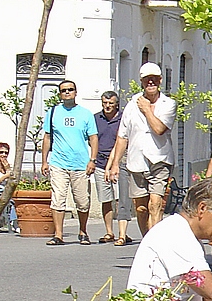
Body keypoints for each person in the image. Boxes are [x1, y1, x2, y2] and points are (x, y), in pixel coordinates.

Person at [108, 62, 177, 237]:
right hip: (136, 162)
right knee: (140, 208)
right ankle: (148, 241)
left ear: (160, 80)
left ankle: (156, 245)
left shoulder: (168, 104)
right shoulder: (131, 105)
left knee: (155, 204)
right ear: (142, 81)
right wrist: (115, 164)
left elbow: (160, 129)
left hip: (159, 160)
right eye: (147, 79)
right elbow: (122, 136)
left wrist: (147, 110)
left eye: (154, 79)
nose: (151, 82)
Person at [41, 79, 98, 246]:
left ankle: (83, 231)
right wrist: (44, 161)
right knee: (58, 199)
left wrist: (92, 160)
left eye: (70, 89)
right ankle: (58, 234)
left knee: (82, 201)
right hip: (58, 162)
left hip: (80, 164)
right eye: (64, 90)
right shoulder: (53, 113)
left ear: (75, 92)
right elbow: (47, 137)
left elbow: (93, 138)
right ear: (60, 94)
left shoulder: (85, 114)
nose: (67, 92)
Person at [93, 91, 134, 246]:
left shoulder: (123, 118)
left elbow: (121, 141)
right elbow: (92, 139)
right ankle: (109, 231)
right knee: (105, 199)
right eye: (105, 103)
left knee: (121, 198)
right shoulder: (96, 119)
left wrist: (113, 164)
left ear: (117, 104)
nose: (107, 106)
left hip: (119, 163)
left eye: (111, 103)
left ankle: (122, 233)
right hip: (100, 163)